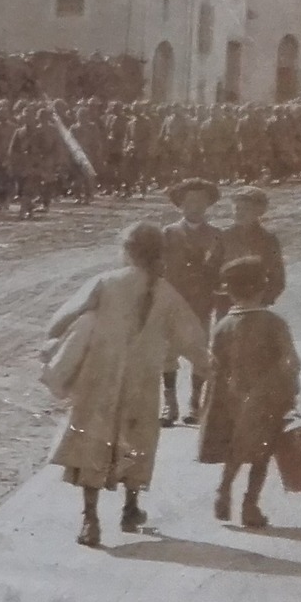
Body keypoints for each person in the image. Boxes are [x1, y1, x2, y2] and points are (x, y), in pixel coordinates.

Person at [46, 221, 211, 546]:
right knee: (136, 440)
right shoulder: (166, 292)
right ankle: (131, 507)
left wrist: (68, 335)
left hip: (100, 378)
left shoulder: (105, 282)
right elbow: (193, 339)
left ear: (126, 251)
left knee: (93, 440)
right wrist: (209, 365)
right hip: (142, 381)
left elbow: (58, 322)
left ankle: (90, 520)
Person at [197, 257, 301, 528]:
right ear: (262, 288)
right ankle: (250, 505)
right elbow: (291, 361)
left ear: (230, 291)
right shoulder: (274, 323)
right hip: (265, 400)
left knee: (235, 448)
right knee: (261, 454)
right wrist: (290, 389)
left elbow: (214, 364)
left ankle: (224, 488)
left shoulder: (223, 326)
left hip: (230, 399)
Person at [161, 178, 224, 425]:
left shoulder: (217, 236)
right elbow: (159, 269)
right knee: (168, 352)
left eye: (200, 202)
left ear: (208, 205)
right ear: (180, 205)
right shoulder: (168, 233)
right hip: (173, 302)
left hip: (201, 303)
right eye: (189, 202)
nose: (194, 207)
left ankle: (195, 403)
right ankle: (169, 404)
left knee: (199, 352)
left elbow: (221, 270)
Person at [218, 185, 285, 311]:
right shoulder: (223, 237)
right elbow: (211, 270)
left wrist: (262, 300)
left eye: (246, 209)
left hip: (256, 305)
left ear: (259, 211)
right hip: (227, 305)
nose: (240, 213)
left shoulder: (268, 240)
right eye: (237, 208)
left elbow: (278, 278)